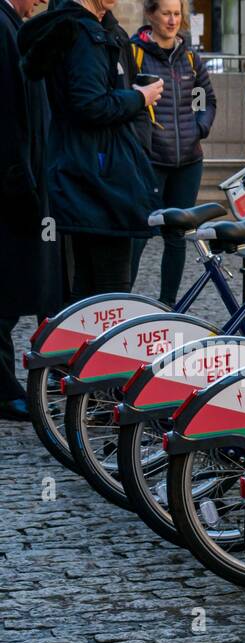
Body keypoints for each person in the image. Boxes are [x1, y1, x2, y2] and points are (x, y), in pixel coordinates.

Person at [19, 0, 162, 301]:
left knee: (88, 287)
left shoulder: (83, 29)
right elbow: (91, 104)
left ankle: (83, 347)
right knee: (109, 294)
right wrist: (140, 98)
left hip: (88, 170)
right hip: (100, 177)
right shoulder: (85, 34)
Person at [128, 0, 217, 306]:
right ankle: (121, 303)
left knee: (176, 237)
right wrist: (143, 138)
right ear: (150, 14)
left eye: (177, 13)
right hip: (150, 161)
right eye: (166, 13)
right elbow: (125, 99)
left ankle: (168, 305)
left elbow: (206, 98)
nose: (172, 19)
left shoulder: (190, 56)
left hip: (188, 162)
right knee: (138, 235)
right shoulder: (134, 53)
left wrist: (199, 128)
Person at [0, 0, 61, 421]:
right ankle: (3, 390)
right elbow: (8, 119)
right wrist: (22, 186)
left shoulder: (14, 24)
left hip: (25, 182)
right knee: (5, 295)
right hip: (13, 189)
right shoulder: (3, 26)